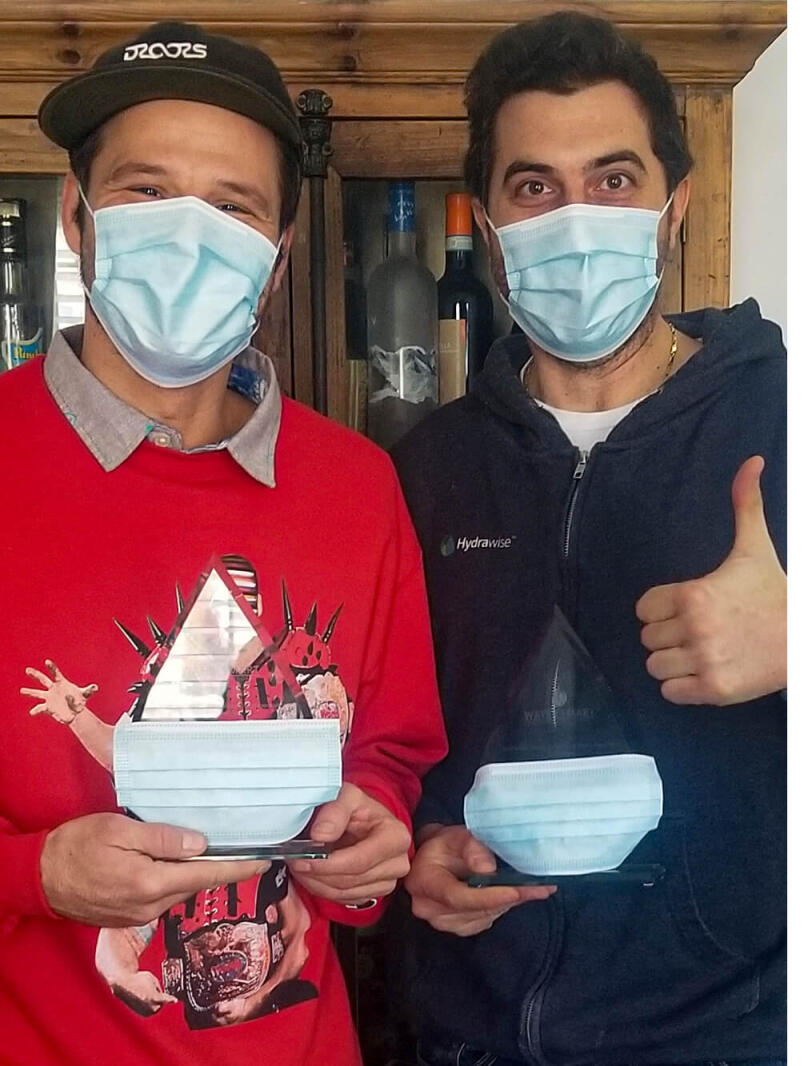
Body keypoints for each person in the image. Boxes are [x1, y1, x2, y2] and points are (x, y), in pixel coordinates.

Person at [0, 21, 447, 1064]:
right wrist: (35, 877)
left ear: (278, 256)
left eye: (233, 206)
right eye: (146, 190)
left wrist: (373, 822)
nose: (187, 231)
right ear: (78, 216)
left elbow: (392, 748)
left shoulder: (358, 485)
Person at [390, 12, 787, 1066]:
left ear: (674, 206)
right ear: (489, 217)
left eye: (613, 180)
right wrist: (422, 851)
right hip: (467, 1032)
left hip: (722, 1032)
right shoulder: (426, 468)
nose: (575, 217)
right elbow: (397, 738)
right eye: (536, 187)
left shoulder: (791, 416)